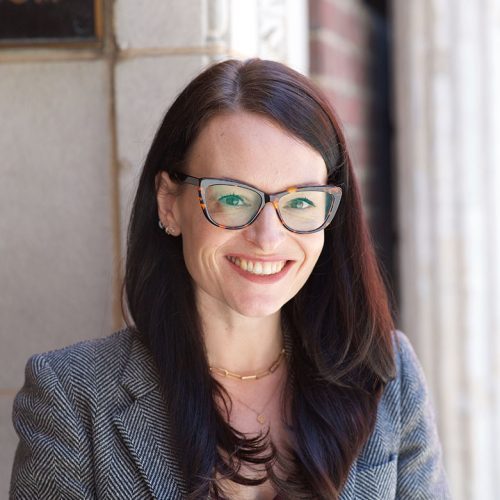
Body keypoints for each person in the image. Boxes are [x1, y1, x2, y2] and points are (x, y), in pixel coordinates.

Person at [10, 58, 450, 499]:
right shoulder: (70, 396)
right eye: (234, 197)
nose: (267, 237)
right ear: (169, 203)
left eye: (300, 203)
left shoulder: (387, 374)